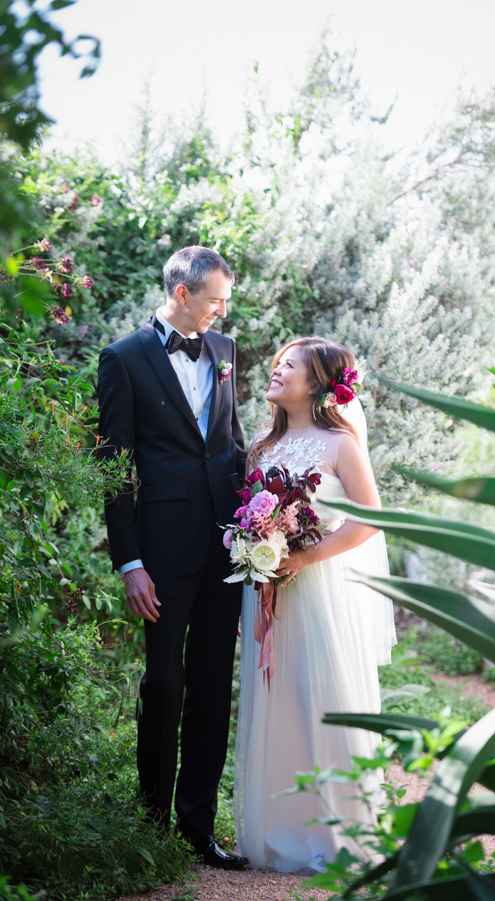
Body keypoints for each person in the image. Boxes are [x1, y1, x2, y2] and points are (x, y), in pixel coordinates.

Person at [97, 245, 248, 870]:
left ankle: (197, 829)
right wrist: (130, 563)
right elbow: (111, 468)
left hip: (225, 547)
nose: (220, 310)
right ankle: (150, 825)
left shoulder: (225, 351)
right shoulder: (123, 359)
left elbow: (232, 441)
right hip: (161, 554)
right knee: (163, 682)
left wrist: (260, 524)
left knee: (214, 686)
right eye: (213, 299)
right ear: (180, 293)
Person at [234, 336, 397, 872]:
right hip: (268, 592)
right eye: (278, 364)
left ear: (319, 383)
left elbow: (370, 518)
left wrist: (307, 557)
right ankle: (279, 832)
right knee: (275, 701)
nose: (276, 371)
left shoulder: (339, 445)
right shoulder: (260, 444)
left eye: (289, 366)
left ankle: (340, 835)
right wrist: (256, 551)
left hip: (320, 589)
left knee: (320, 698)